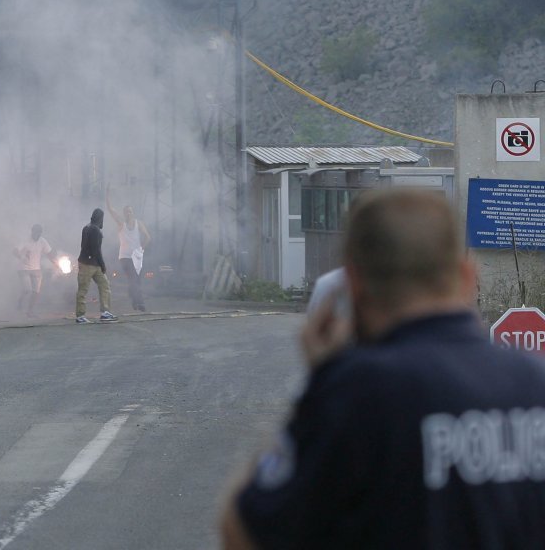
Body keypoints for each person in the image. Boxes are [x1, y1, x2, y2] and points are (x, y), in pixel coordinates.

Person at [220, 189, 545, 549]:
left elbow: (244, 530)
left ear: (354, 284)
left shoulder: (357, 391)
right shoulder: (536, 381)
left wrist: (319, 382)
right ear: (467, 276)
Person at [106, 184, 151, 312]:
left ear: (133, 212)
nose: (129, 213)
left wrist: (141, 249)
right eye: (126, 211)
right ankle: (140, 303)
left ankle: (133, 298)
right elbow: (110, 209)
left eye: (130, 211)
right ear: (124, 213)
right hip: (125, 257)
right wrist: (107, 194)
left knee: (136, 280)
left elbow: (148, 237)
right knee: (133, 278)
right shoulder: (121, 223)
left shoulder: (139, 223)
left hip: (136, 256)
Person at [75, 208, 117, 323]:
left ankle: (104, 313)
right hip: (92, 264)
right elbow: (96, 250)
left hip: (87, 263)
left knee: (102, 286)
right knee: (91, 288)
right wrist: (103, 265)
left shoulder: (86, 228)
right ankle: (81, 315)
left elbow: (83, 246)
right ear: (100, 218)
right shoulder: (96, 230)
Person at [13, 224, 58, 318]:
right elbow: (15, 251)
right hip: (23, 268)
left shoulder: (42, 241)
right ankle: (20, 302)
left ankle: (30, 311)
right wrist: (21, 257)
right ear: (32, 232)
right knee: (27, 289)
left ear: (40, 233)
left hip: (36, 268)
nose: (37, 235)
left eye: (39, 233)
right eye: (35, 233)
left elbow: (49, 253)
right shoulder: (25, 239)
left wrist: (56, 263)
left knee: (36, 291)